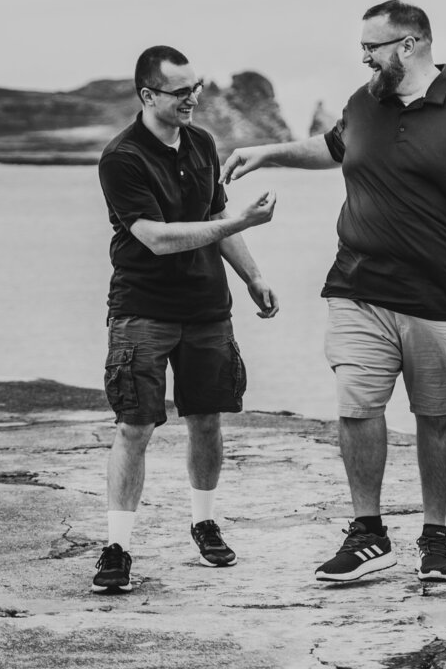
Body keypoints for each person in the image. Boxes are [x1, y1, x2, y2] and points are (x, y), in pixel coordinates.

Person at [221, 0, 446, 583]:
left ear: (411, 44)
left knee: (437, 415)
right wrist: (268, 153)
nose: (365, 56)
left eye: (374, 46)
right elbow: (335, 147)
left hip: (445, 296)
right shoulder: (363, 101)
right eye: (362, 47)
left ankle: (435, 534)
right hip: (359, 286)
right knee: (356, 406)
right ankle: (368, 533)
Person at [92, 45, 279, 594]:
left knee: (207, 419)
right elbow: (154, 237)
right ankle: (118, 547)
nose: (193, 99)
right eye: (180, 92)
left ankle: (204, 521)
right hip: (142, 310)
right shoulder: (121, 157)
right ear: (148, 95)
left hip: (206, 310)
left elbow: (217, 214)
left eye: (195, 87)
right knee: (135, 426)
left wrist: (253, 276)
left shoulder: (201, 142)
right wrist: (239, 222)